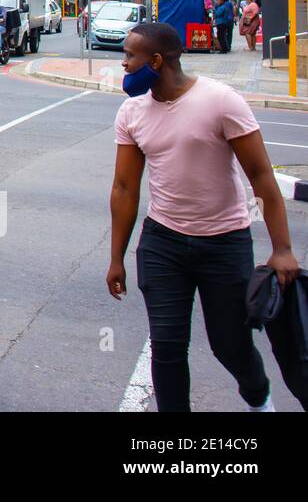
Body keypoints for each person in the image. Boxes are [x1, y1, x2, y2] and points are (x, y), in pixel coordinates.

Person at [107, 22, 300, 412]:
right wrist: (116, 258)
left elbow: (261, 176)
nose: (124, 64)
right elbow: (125, 189)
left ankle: (259, 397)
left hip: (225, 242)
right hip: (163, 243)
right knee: (167, 346)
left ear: (157, 61)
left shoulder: (220, 100)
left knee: (231, 345)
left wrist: (282, 249)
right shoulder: (131, 112)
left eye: (130, 56)